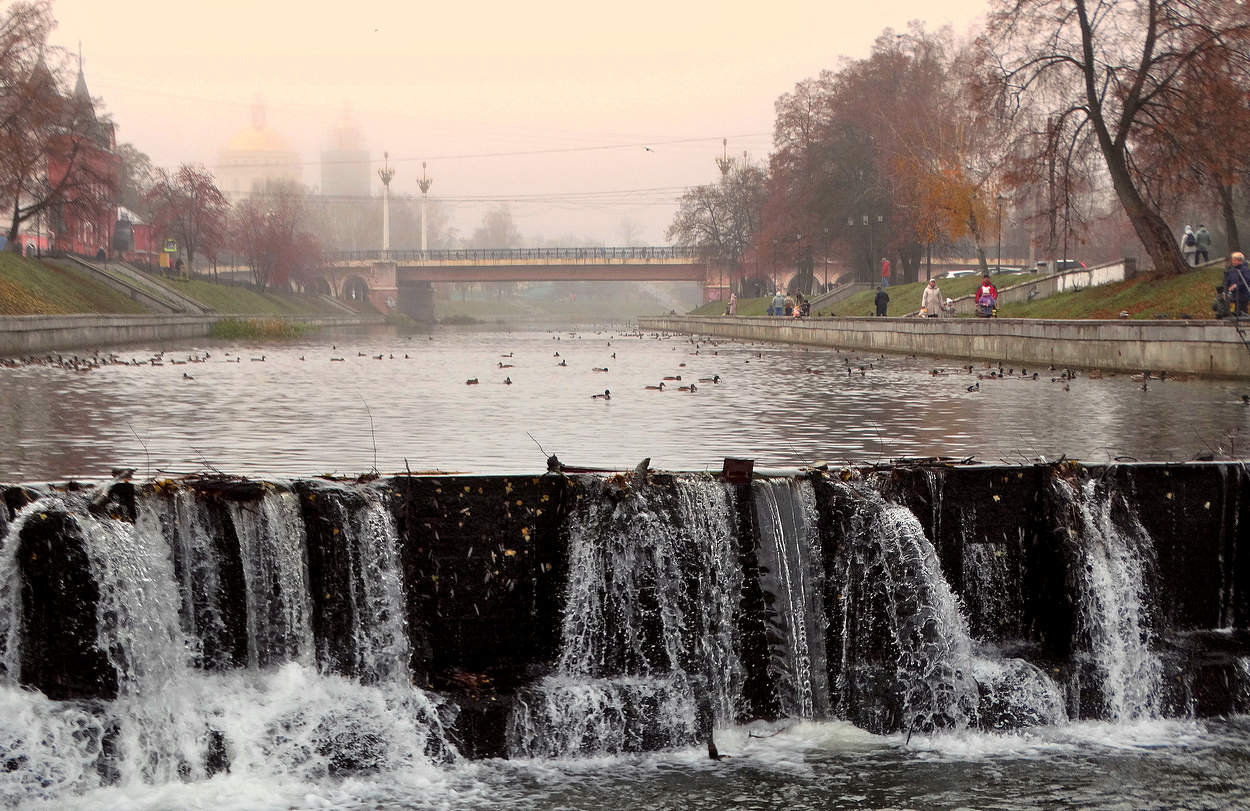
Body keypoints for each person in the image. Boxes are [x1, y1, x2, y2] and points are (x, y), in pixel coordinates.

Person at [1224, 252, 1250, 316]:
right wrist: (1226, 288)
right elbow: (1228, 280)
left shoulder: (1245, 269)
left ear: (1240, 261)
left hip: (1242, 295)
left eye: (1234, 260)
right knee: (1235, 313)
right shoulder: (1232, 270)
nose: (1233, 262)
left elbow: (1246, 281)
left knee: (1242, 313)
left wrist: (1236, 286)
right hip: (1234, 295)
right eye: (1232, 260)